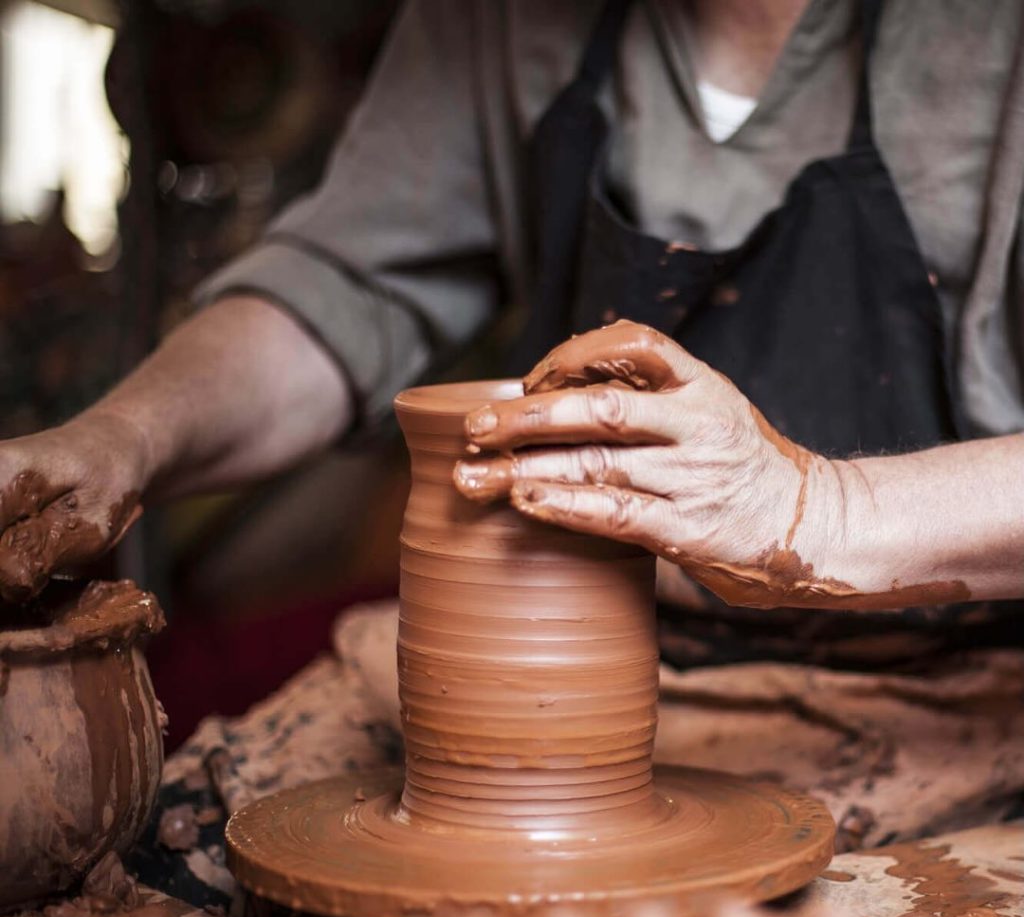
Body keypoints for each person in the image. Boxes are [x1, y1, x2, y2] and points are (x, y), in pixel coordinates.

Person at [6, 0, 1024, 862]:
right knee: (159, 872)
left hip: (951, 683)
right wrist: (120, 441)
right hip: (554, 681)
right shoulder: (498, 17)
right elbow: (345, 284)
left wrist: (814, 509)